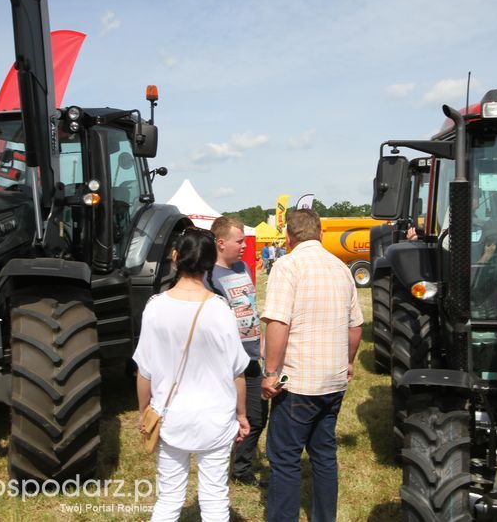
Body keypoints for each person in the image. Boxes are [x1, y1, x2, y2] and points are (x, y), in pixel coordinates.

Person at [133, 228, 251, 521]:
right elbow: (237, 371)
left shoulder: (155, 308)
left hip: (171, 415)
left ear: (175, 258)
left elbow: (144, 371)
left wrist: (143, 412)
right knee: (214, 500)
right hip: (215, 417)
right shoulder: (221, 309)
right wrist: (242, 414)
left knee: (169, 499)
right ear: (210, 263)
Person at [260, 209, 364, 522]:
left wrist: (271, 373)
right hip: (332, 381)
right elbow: (356, 325)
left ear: (288, 238)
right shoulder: (340, 267)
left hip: (297, 382)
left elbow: (278, 322)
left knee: (285, 458)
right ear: (320, 234)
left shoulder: (286, 265)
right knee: (323, 454)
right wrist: (347, 361)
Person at [206, 216, 267, 487]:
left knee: (257, 415)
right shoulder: (208, 276)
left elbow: (250, 307)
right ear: (221, 243)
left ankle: (241, 470)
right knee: (225, 417)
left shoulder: (242, 267)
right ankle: (219, 469)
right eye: (239, 241)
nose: (244, 246)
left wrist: (261, 340)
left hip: (252, 356)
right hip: (225, 363)